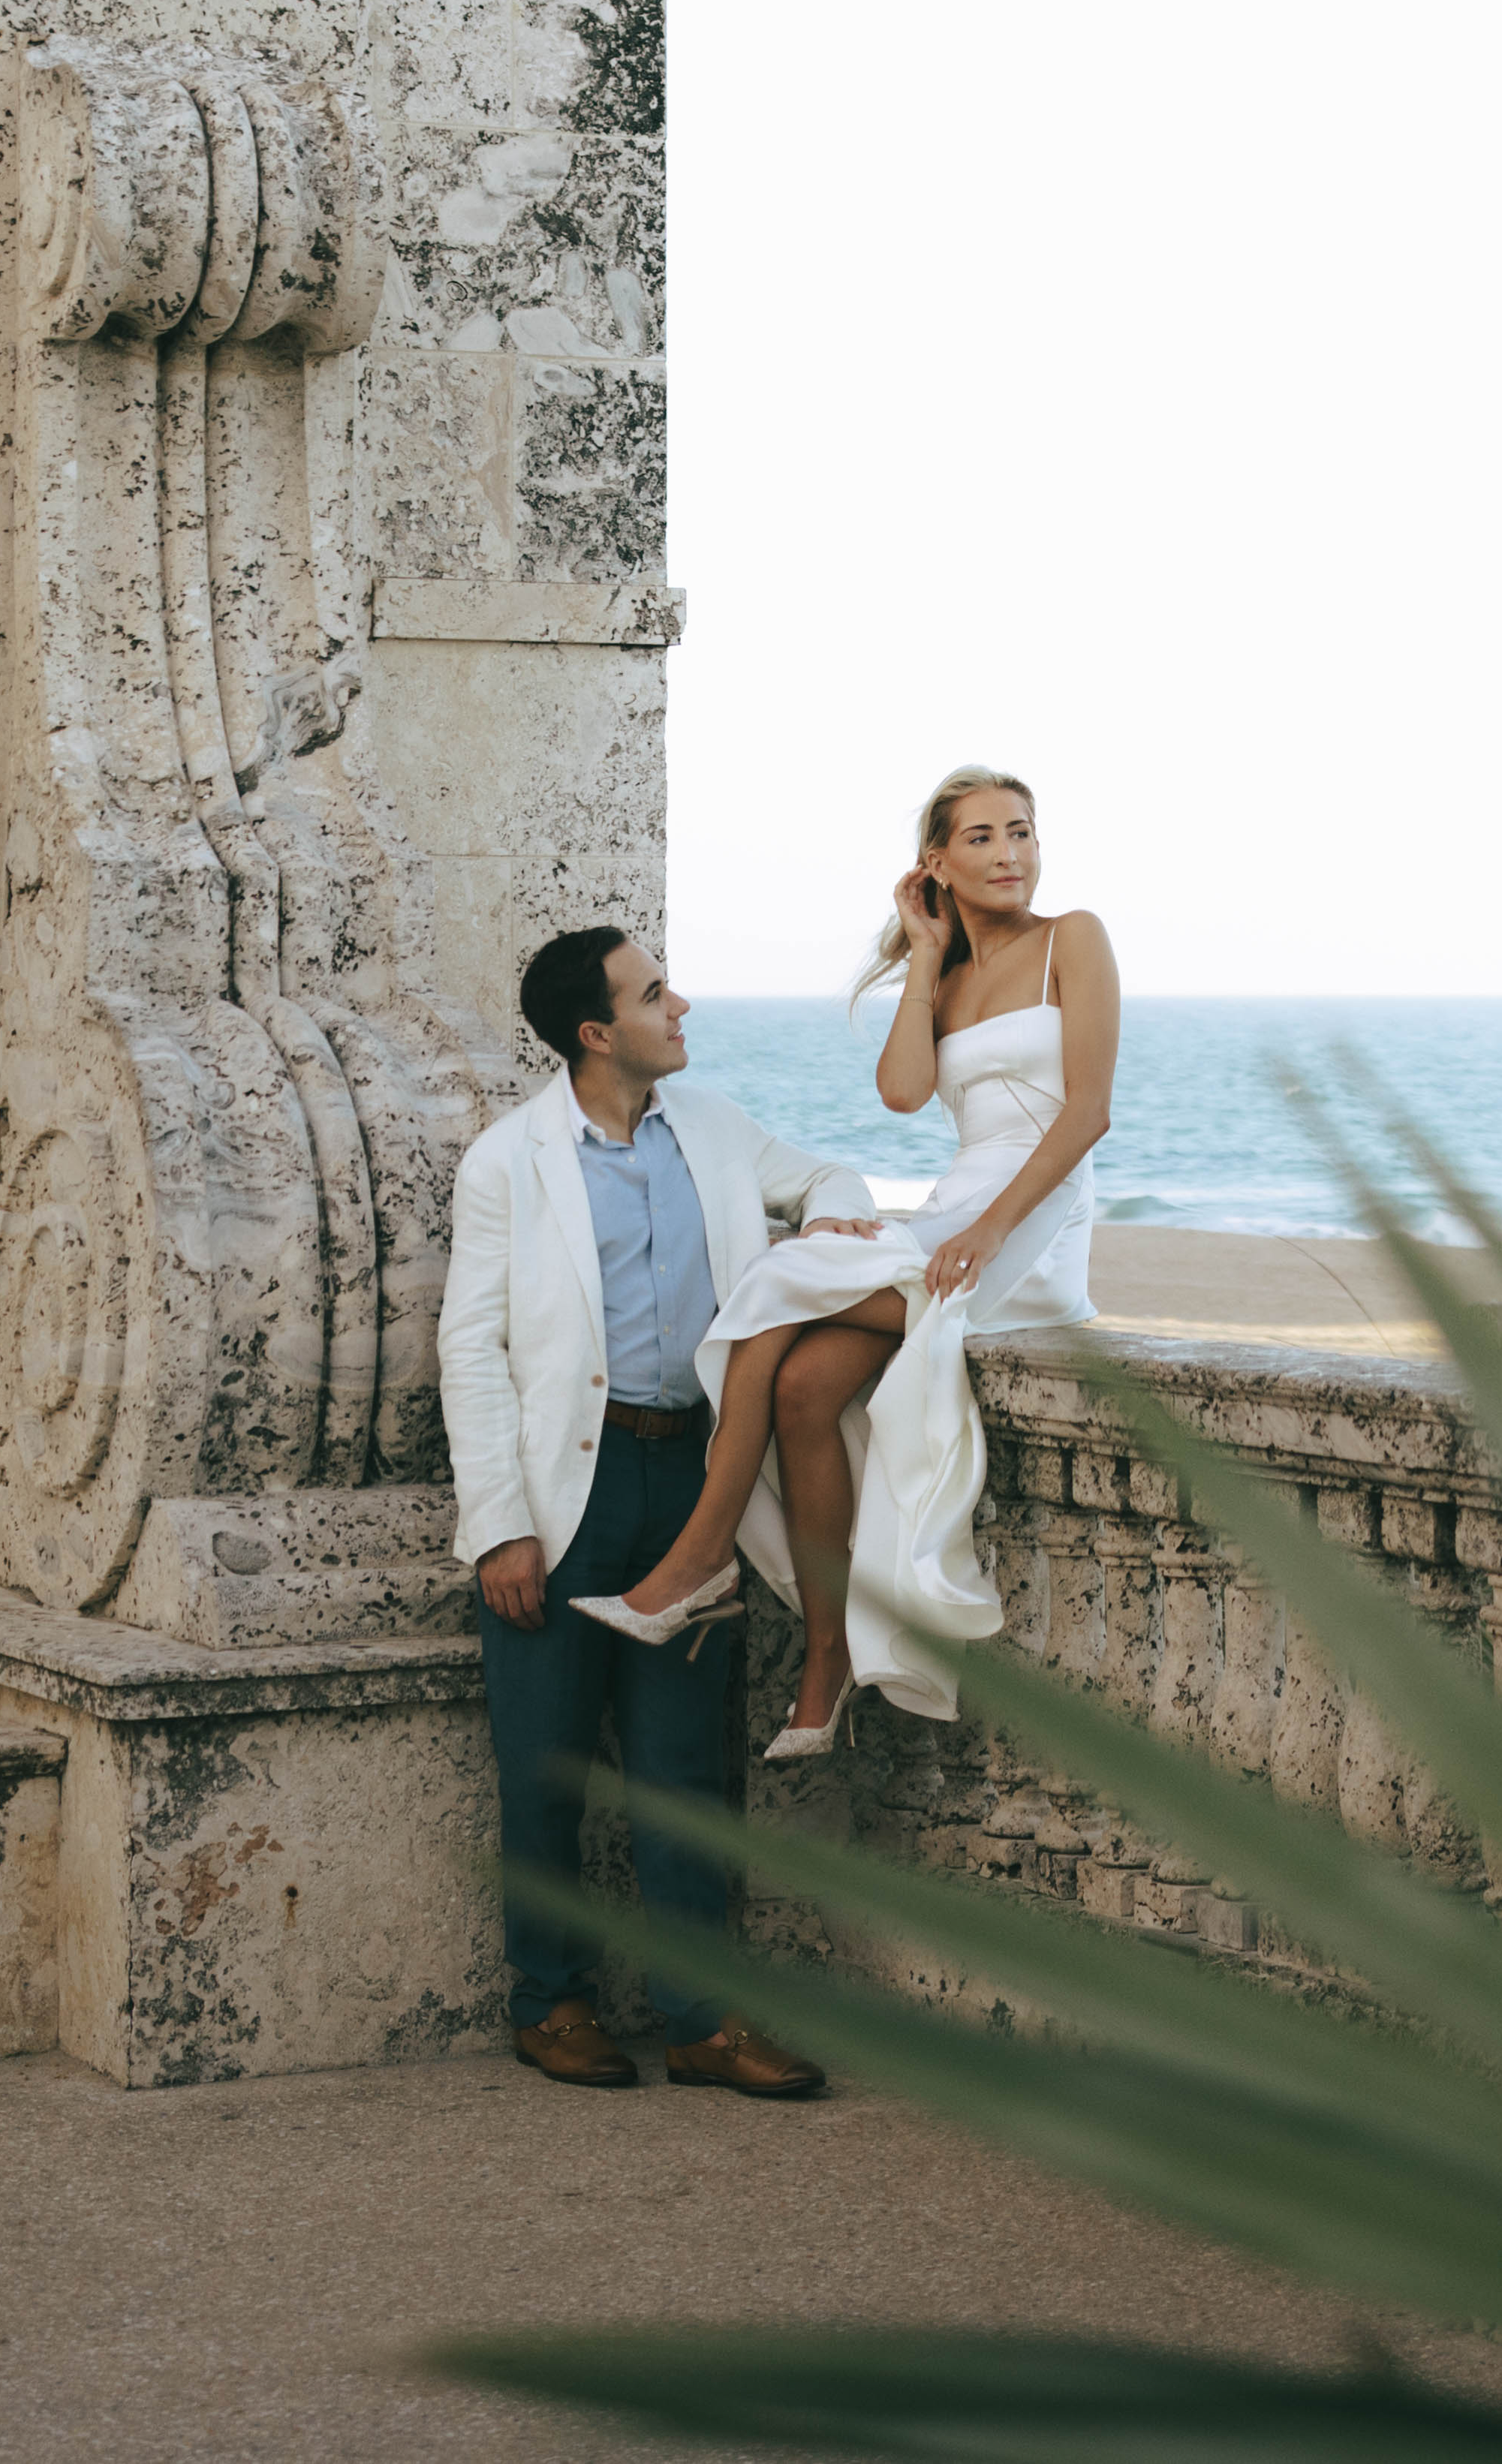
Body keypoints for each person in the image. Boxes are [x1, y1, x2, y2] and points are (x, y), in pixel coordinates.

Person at [576, 766, 1115, 1757]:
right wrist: (924, 952)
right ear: (937, 862)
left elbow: (1087, 1113)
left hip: (1033, 1218)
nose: (1011, 855)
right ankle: (825, 1668)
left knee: (775, 1284)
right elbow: (905, 1093)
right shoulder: (943, 966)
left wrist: (990, 1230)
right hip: (957, 1202)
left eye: (1024, 832)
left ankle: (702, 1556)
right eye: (985, 838)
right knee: (807, 1385)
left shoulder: (1071, 938)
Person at [442, 921, 883, 2096]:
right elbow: (470, 1348)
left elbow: (824, 1173)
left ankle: (704, 2020)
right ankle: (553, 2002)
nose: (679, 1004)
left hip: (694, 1480)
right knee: (545, 1768)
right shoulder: (508, 1161)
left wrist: (833, 1219)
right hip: (565, 1495)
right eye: (653, 993)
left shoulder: (714, 1127)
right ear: (597, 1032)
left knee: (685, 1767)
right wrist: (499, 1523)